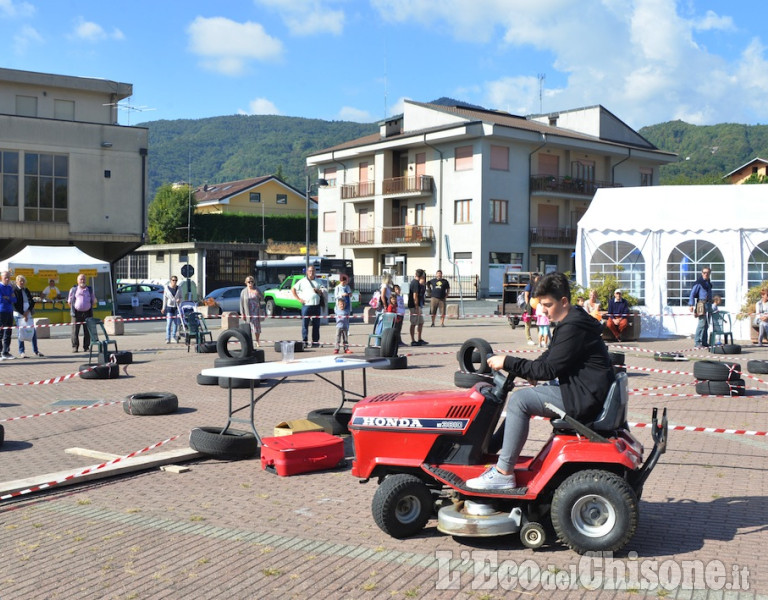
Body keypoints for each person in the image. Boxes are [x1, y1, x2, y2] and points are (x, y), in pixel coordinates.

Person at [467, 272, 614, 490]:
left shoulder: (573, 326)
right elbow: (549, 358)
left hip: (583, 398)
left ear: (563, 301)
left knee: (519, 400)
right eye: (541, 304)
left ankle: (503, 473)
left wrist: (508, 361)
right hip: (583, 390)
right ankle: (493, 449)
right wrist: (530, 372)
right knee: (527, 397)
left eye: (547, 304)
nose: (542, 310)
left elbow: (548, 368)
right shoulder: (572, 320)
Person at [291, 265, 324, 348]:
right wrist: (299, 299)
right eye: (310, 271)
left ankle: (315, 342)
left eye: (313, 271)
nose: (311, 272)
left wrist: (318, 291)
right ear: (307, 272)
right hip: (306, 306)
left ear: (315, 272)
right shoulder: (302, 281)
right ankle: (304, 341)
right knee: (305, 324)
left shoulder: (319, 281)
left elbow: (323, 291)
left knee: (316, 325)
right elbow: (293, 289)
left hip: (316, 305)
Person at [13, 275, 43, 358]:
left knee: (33, 332)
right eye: (20, 281)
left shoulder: (26, 290)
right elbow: (15, 305)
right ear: (16, 282)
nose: (22, 282)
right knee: (21, 333)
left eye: (23, 281)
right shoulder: (14, 290)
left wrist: (28, 311)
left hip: (28, 313)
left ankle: (36, 351)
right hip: (19, 315)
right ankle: (22, 352)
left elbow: (32, 302)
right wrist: (23, 314)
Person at [68, 273, 97, 353]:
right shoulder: (73, 290)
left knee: (87, 331)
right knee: (75, 331)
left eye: (84, 279)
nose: (82, 280)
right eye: (81, 279)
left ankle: (86, 347)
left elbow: (94, 300)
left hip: (87, 313)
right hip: (76, 313)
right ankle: (75, 347)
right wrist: (75, 308)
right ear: (77, 281)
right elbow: (69, 302)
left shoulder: (89, 290)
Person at [689, 267, 713, 347]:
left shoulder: (708, 283)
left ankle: (704, 342)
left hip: (708, 304)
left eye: (707, 273)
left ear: (709, 274)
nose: (706, 274)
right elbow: (692, 294)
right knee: (701, 323)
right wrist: (691, 305)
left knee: (706, 324)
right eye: (704, 272)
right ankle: (697, 342)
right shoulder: (699, 283)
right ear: (702, 273)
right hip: (701, 304)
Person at [240, 276, 263, 347]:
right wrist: (242, 313)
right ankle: (248, 342)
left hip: (256, 311)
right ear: (246, 283)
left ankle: (257, 341)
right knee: (248, 327)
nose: (250, 283)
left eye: (252, 281)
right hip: (248, 311)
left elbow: (262, 299)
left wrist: (258, 294)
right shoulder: (244, 291)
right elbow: (241, 303)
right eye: (248, 282)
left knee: (256, 328)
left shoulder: (257, 290)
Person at [408, 268, 428, 346]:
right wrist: (416, 306)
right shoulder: (415, 283)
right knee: (413, 323)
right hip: (414, 306)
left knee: (421, 322)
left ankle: (419, 338)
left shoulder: (418, 283)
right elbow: (415, 295)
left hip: (418, 305)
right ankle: (413, 340)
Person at [0, 271, 17, 359]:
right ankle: (0, 352)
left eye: (8, 277)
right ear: (1, 277)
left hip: (10, 311)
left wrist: (7, 297)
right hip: (1, 311)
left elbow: (14, 300)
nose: (7, 279)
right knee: (0, 332)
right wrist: (8, 298)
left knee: (8, 332)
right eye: (5, 277)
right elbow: (0, 300)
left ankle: (6, 352)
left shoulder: (10, 287)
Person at [162, 276, 183, 344]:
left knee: (176, 323)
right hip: (169, 307)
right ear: (170, 280)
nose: (174, 282)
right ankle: (167, 338)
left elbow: (181, 297)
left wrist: (179, 300)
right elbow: (165, 299)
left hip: (176, 307)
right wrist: (163, 308)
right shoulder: (167, 288)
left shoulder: (179, 288)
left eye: (176, 280)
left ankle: (173, 336)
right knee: (169, 323)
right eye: (173, 280)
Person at [523, 273, 541, 346]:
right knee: (528, 324)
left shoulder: (539, 286)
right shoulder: (529, 285)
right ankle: (529, 339)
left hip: (538, 306)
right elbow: (526, 296)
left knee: (539, 323)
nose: (539, 279)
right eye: (537, 278)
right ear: (533, 278)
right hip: (530, 306)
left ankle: (541, 339)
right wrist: (527, 305)